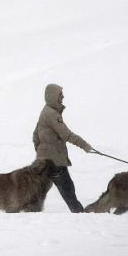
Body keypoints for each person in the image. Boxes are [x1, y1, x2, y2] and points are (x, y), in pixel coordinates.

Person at [33, 83, 93, 213]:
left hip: (44, 162)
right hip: (55, 161)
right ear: (53, 96)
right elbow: (66, 134)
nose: (63, 97)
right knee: (68, 191)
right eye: (60, 95)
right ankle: (81, 216)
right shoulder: (52, 115)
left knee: (38, 192)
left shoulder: (45, 111)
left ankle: (31, 215)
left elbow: (35, 136)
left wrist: (41, 152)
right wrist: (86, 146)